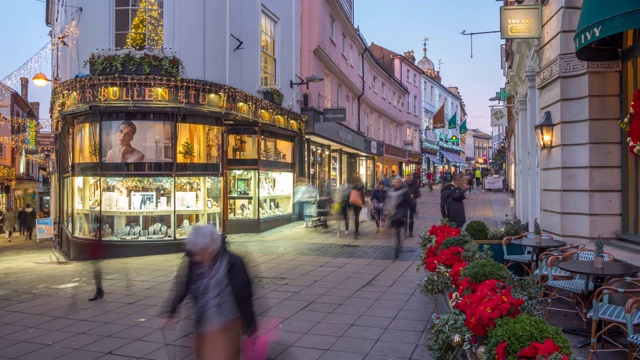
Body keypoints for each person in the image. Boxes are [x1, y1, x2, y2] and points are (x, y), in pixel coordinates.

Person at [161, 225, 256, 360]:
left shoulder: (233, 263)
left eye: (202, 252)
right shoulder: (193, 260)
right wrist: (171, 310)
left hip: (228, 324)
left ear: (212, 248)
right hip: (203, 325)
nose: (197, 258)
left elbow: (244, 297)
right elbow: (184, 284)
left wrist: (251, 326)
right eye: (195, 253)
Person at [385, 178, 411, 258]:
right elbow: (387, 201)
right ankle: (398, 244)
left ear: (400, 183)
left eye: (397, 182)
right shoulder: (390, 191)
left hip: (401, 213)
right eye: (394, 182)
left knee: (397, 230)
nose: (395, 183)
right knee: (394, 230)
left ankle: (397, 247)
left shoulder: (404, 191)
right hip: (392, 213)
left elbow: (407, 202)